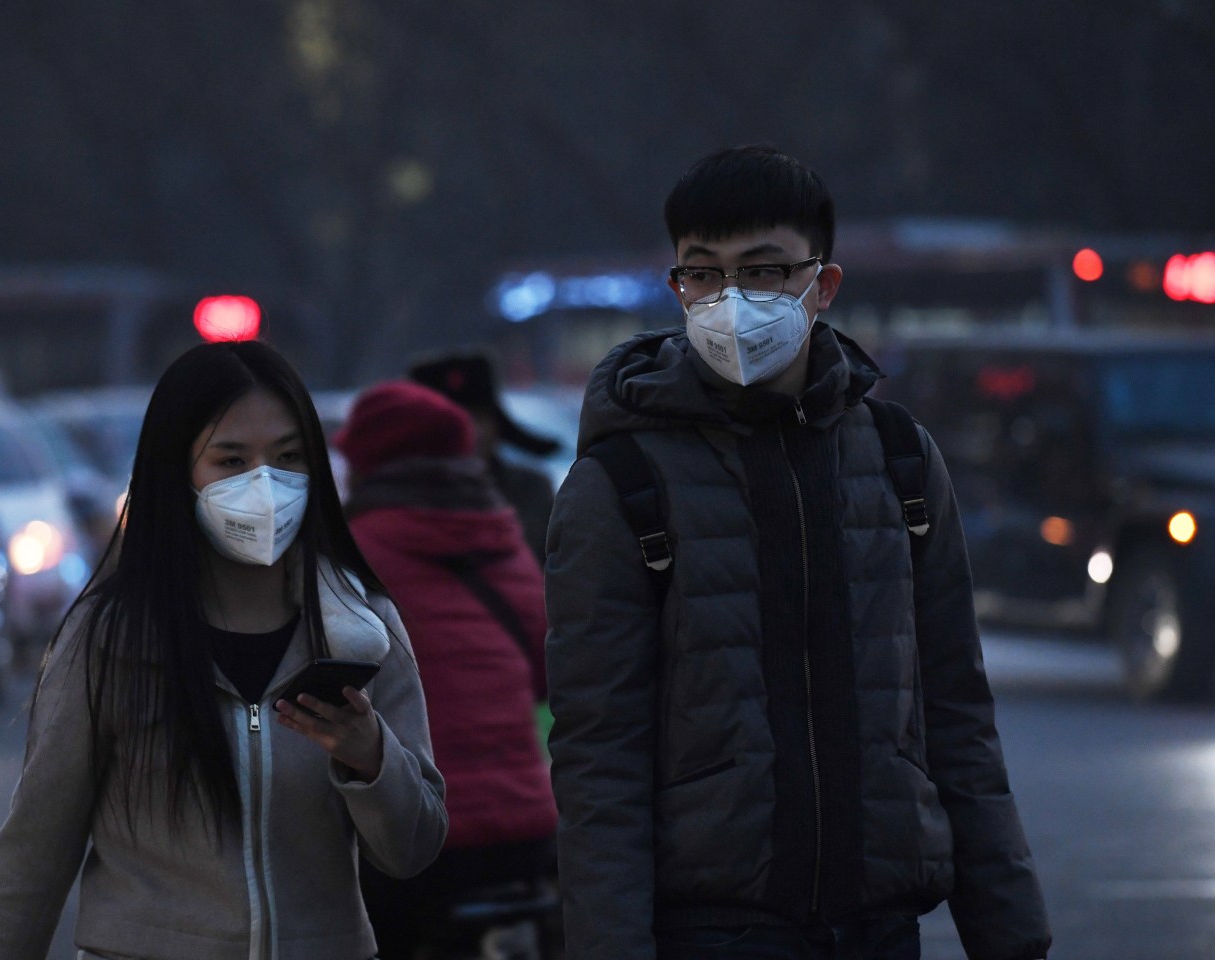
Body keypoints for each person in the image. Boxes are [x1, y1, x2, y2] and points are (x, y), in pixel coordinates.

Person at [543, 145, 1051, 960]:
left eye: (764, 270)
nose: (730, 299)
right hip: (710, 932)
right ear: (676, 286)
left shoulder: (900, 460)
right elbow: (600, 755)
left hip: (879, 927)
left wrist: (1013, 936)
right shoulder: (622, 483)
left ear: (824, 284)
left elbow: (955, 713)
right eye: (702, 273)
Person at [0, 339, 447, 960]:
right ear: (178, 472)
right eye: (231, 460)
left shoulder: (361, 629)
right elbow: (33, 856)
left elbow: (414, 848)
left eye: (288, 457)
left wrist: (371, 757)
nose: (264, 486)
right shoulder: (112, 639)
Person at [332, 380, 558, 960]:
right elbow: (544, 670)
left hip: (424, 833)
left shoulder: (350, 554)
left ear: (367, 463)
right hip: (530, 827)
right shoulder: (503, 540)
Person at [408, 349, 559, 563]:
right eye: (455, 422)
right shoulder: (404, 497)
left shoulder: (531, 490)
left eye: (478, 418)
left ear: (496, 424)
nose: (471, 432)